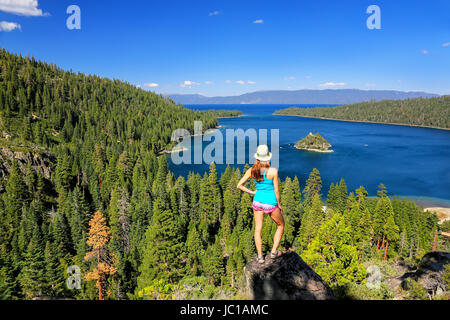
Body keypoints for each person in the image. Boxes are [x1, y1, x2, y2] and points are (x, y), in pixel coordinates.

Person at [237, 145, 284, 264]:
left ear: (257, 157)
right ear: (267, 158)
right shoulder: (273, 171)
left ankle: (260, 257)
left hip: (257, 202)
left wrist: (252, 192)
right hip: (270, 203)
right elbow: (277, 191)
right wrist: (278, 204)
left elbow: (239, 185)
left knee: (258, 229)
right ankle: (273, 252)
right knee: (280, 225)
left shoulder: (252, 170)